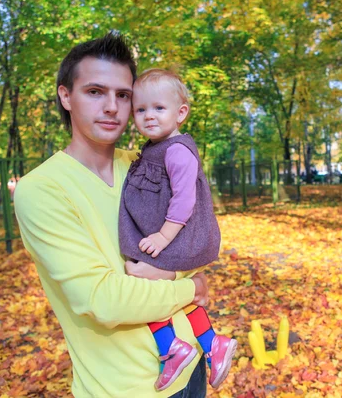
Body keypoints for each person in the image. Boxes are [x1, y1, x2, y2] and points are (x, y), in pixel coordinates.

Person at [14, 33, 210, 397]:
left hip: (193, 364)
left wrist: (175, 270)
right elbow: (102, 300)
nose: (111, 107)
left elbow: (194, 234)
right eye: (94, 92)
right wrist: (191, 286)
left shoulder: (144, 164)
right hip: (127, 388)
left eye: (123, 95)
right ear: (65, 96)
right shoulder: (41, 188)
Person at [118, 69, 237, 391]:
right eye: (141, 110)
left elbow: (185, 199)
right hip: (174, 236)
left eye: (159, 108)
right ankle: (211, 342)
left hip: (181, 236)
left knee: (141, 278)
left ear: (180, 113)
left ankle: (170, 346)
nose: (149, 116)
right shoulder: (153, 149)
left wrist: (163, 236)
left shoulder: (177, 151)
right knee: (167, 293)